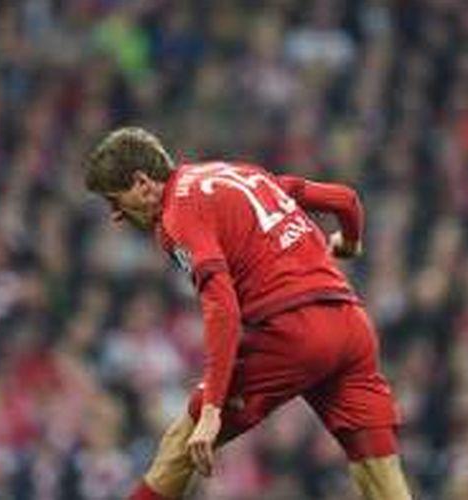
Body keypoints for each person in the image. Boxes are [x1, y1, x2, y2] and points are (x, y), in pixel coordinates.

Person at [83, 127, 412, 500]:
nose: (115, 216)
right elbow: (346, 200)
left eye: (114, 201)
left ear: (143, 184)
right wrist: (349, 242)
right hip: (351, 326)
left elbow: (222, 306)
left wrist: (211, 411)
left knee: (181, 444)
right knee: (380, 478)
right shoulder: (241, 174)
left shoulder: (177, 216)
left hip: (292, 334)